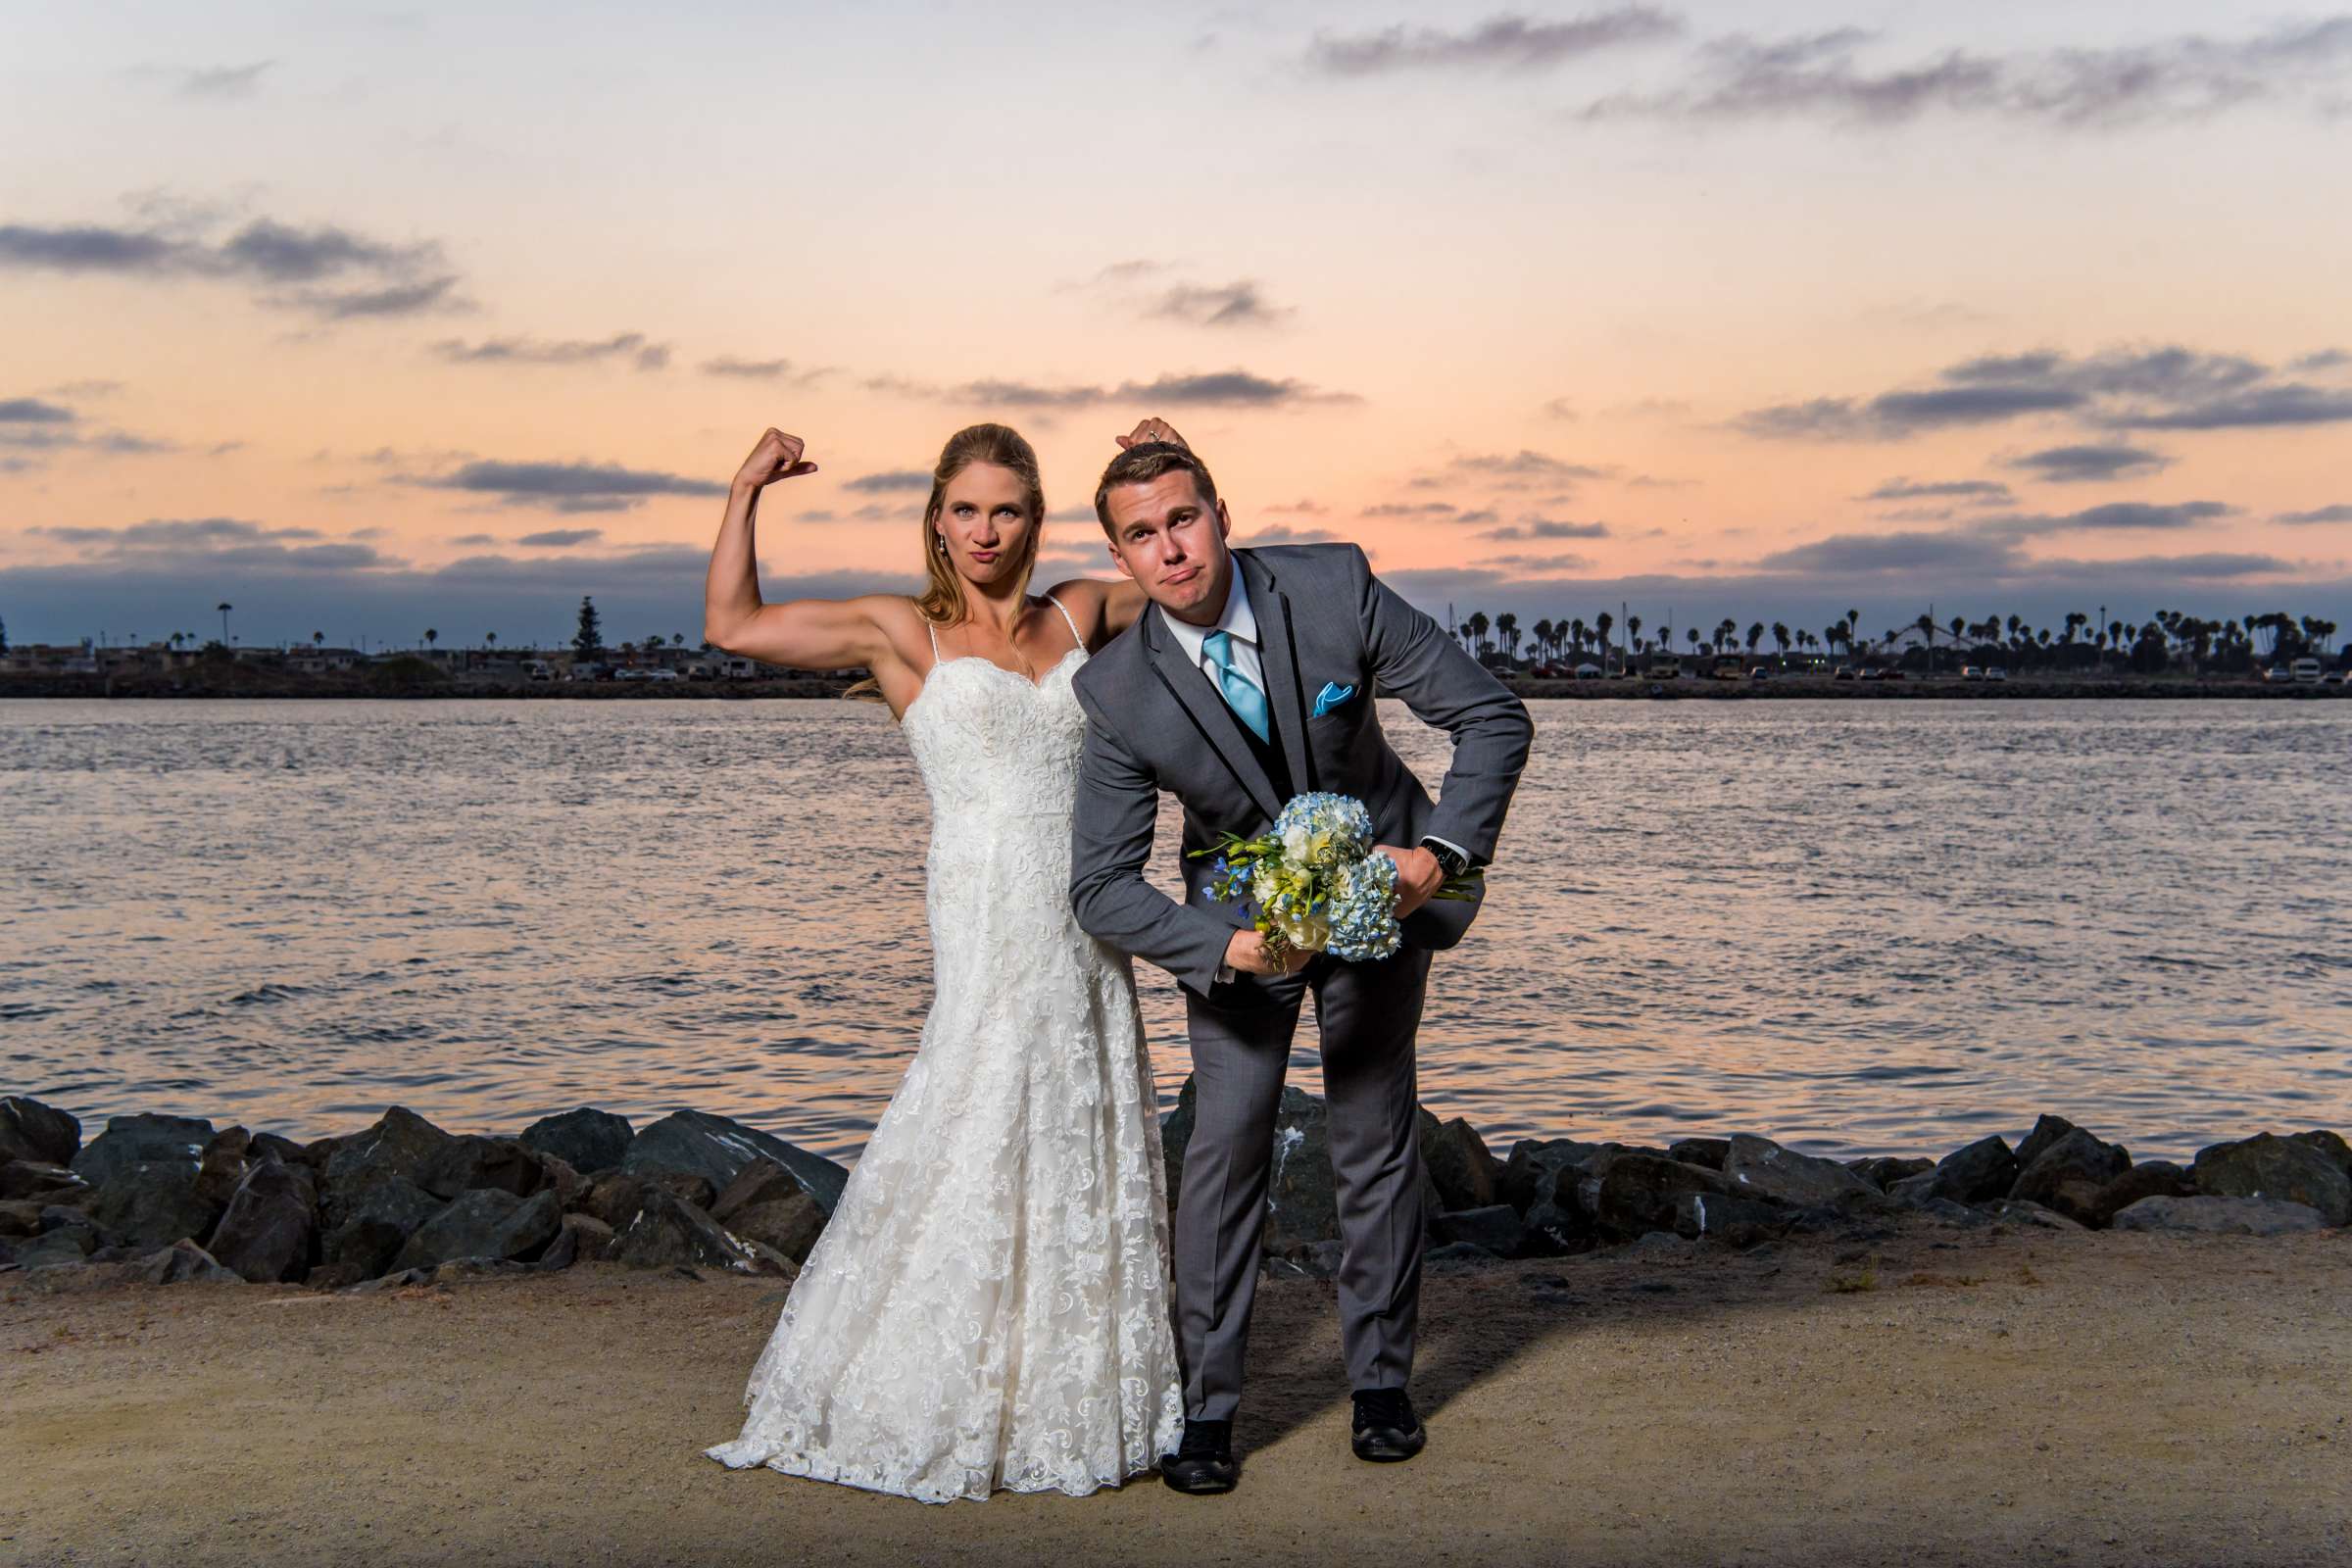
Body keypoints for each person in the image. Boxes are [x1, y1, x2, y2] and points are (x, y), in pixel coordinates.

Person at [697, 417, 1188, 1502]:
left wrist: (1170, 461)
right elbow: (731, 624)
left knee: (1080, 1104)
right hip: (981, 900)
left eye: (1005, 508)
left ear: (1035, 518)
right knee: (974, 1095)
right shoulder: (899, 630)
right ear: (935, 517)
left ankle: (1067, 1392)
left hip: (1086, 903)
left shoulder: (1086, 607)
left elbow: (1193, 576)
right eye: (964, 508)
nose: (984, 528)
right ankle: (919, 1377)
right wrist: (746, 489)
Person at [1066, 439, 1533, 1494]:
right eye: (1141, 535)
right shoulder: (1116, 691)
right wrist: (1223, 946)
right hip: (1240, 934)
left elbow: (1492, 716)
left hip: (1380, 896)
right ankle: (1210, 1411)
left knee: (1372, 1135)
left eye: (1183, 519)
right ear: (1119, 553)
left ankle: (1380, 1387)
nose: (1171, 549)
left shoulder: (1331, 587)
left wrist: (1440, 855)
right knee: (1223, 1154)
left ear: (1219, 512)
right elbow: (1099, 884)